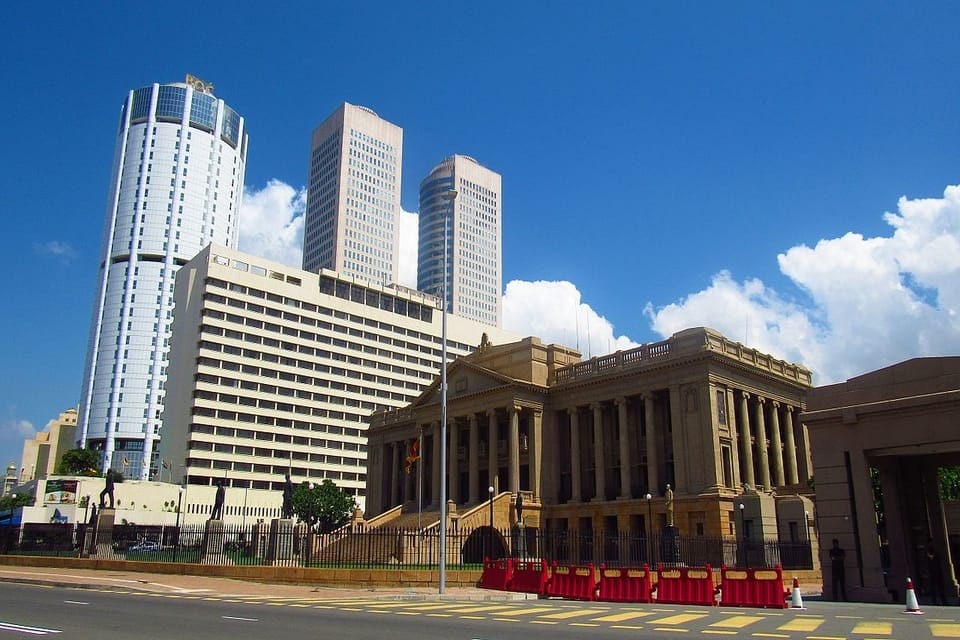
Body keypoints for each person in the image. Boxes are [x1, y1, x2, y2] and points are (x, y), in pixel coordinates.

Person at [926, 539, 948, 605]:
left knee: (939, 587)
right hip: (934, 572)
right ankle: (937, 601)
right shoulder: (930, 552)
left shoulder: (935, 553)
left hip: (937, 571)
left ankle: (940, 601)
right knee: (936, 587)